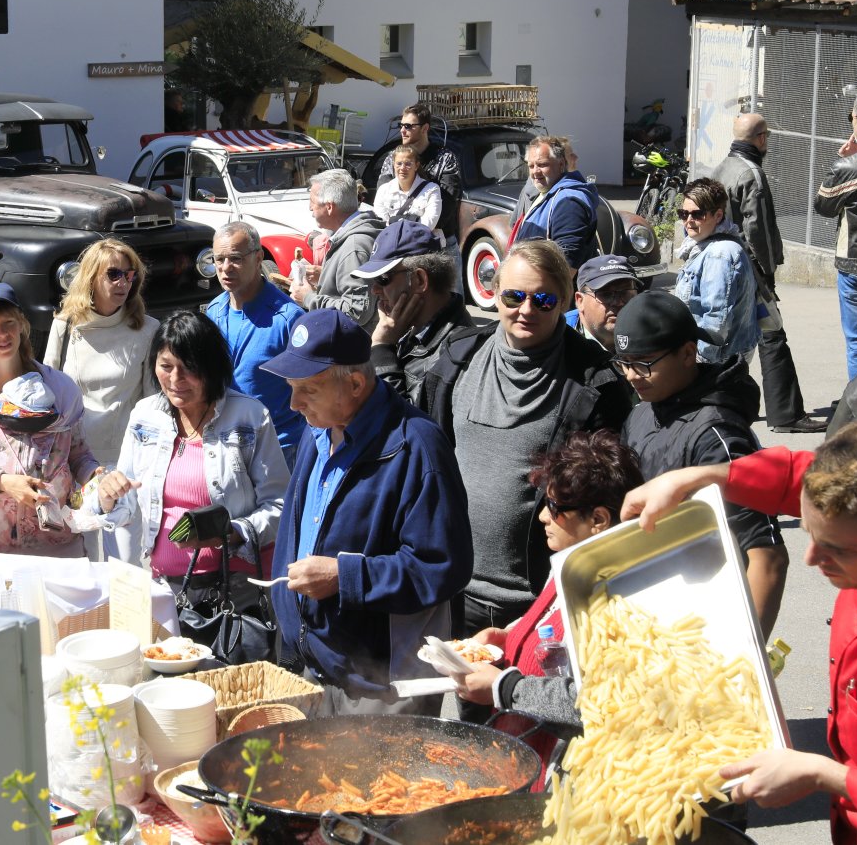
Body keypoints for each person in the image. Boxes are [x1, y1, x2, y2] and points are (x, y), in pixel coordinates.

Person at [622, 419, 857, 845]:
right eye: (808, 532)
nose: (810, 558)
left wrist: (822, 773)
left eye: (837, 549)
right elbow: (798, 478)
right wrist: (699, 476)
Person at [261, 308, 473, 714]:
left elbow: (443, 567)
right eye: (291, 387)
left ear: (355, 384)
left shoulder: (417, 446)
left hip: (380, 689)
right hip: (315, 668)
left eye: (308, 390)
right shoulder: (318, 429)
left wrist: (345, 577)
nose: (294, 403)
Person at [418, 239, 630, 635]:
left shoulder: (596, 382)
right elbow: (425, 460)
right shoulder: (458, 358)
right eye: (514, 297)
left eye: (543, 300)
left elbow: (608, 500)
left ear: (564, 301)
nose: (526, 310)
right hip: (456, 593)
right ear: (494, 292)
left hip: (542, 603)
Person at [612, 290, 786, 638]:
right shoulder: (641, 414)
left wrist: (746, 657)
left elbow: (767, 557)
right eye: (624, 363)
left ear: (688, 353)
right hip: (653, 614)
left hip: (707, 625)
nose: (631, 375)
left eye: (644, 363)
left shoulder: (717, 434)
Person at [450, 430, 641, 738]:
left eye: (554, 507)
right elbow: (550, 620)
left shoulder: (618, 604)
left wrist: (504, 688)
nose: (542, 516)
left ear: (598, 520)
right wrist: (509, 635)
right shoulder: (571, 564)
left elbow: (601, 703)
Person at [93, 312, 285, 591]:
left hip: (234, 590)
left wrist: (230, 533)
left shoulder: (250, 417)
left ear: (212, 367)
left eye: (189, 367)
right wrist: (107, 498)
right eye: (166, 366)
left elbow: (279, 506)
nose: (175, 379)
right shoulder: (145, 416)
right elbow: (127, 505)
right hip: (165, 587)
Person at [0, 283, 113, 557]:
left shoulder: (61, 387)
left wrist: (99, 477)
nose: (2, 334)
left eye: (9, 323)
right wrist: (3, 482)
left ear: (21, 325)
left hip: (54, 546)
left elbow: (78, 454)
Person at [714, 113, 826, 433]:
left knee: (735, 340)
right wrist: (767, 272)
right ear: (761, 138)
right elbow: (758, 230)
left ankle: (721, 406)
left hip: (726, 266)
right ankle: (786, 415)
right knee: (773, 337)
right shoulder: (752, 174)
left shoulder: (722, 168)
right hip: (750, 271)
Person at [43, 238, 158, 476]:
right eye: (113, 274)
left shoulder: (148, 329)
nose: (122, 283)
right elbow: (48, 393)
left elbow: (152, 402)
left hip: (125, 459)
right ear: (91, 277)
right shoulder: (64, 325)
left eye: (129, 275)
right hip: (71, 457)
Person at [204, 221, 305, 461]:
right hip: (225, 443)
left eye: (235, 259)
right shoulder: (214, 310)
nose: (225, 268)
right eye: (219, 259)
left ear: (258, 258)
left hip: (279, 449)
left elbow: (311, 390)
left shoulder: (289, 319)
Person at [354, 220, 474, 407]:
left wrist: (382, 348)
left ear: (419, 280)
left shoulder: (454, 354)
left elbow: (403, 420)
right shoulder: (407, 328)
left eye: (383, 279)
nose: (375, 290)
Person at [815, 91, 857, 382]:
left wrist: (844, 161)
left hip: (855, 265)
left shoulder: (848, 167)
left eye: (852, 118)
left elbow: (823, 207)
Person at [674, 177, 760, 366]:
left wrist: (701, 364)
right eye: (683, 214)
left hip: (716, 359)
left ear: (718, 215)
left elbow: (716, 320)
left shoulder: (718, 255)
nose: (689, 221)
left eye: (698, 214)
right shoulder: (704, 246)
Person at [290, 168, 383, 328]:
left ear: (329, 207)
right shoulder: (354, 236)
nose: (310, 208)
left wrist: (308, 298)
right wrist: (325, 278)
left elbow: (356, 312)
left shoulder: (354, 246)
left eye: (312, 201)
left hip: (354, 342)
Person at [394, 105, 464, 285]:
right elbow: (385, 197)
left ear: (425, 128)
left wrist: (409, 225)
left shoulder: (446, 158)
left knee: (450, 301)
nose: (402, 130)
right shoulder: (393, 158)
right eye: (401, 125)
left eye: (408, 126)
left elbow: (447, 205)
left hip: (441, 247)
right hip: (400, 246)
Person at [510, 136, 601, 270]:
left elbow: (567, 265)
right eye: (531, 166)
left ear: (561, 164)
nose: (535, 171)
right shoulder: (546, 193)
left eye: (542, 164)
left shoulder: (568, 201)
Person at [564, 254, 641, 353]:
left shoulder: (654, 331)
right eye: (606, 294)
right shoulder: (558, 338)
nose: (618, 302)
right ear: (580, 301)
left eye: (625, 293)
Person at [372, 143, 443, 235]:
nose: (403, 168)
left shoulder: (432, 189)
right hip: (391, 241)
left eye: (408, 164)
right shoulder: (383, 190)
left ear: (416, 166)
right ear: (393, 165)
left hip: (419, 242)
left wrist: (396, 224)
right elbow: (380, 223)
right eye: (399, 163)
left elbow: (428, 224)